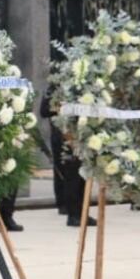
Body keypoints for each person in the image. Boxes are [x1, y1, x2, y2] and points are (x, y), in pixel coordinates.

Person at [42, 88, 96, 227]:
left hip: (81, 134)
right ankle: (71, 213)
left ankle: (82, 212)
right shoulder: (54, 87)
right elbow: (44, 110)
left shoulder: (81, 87)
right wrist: (62, 107)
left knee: (82, 176)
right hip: (63, 136)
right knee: (70, 175)